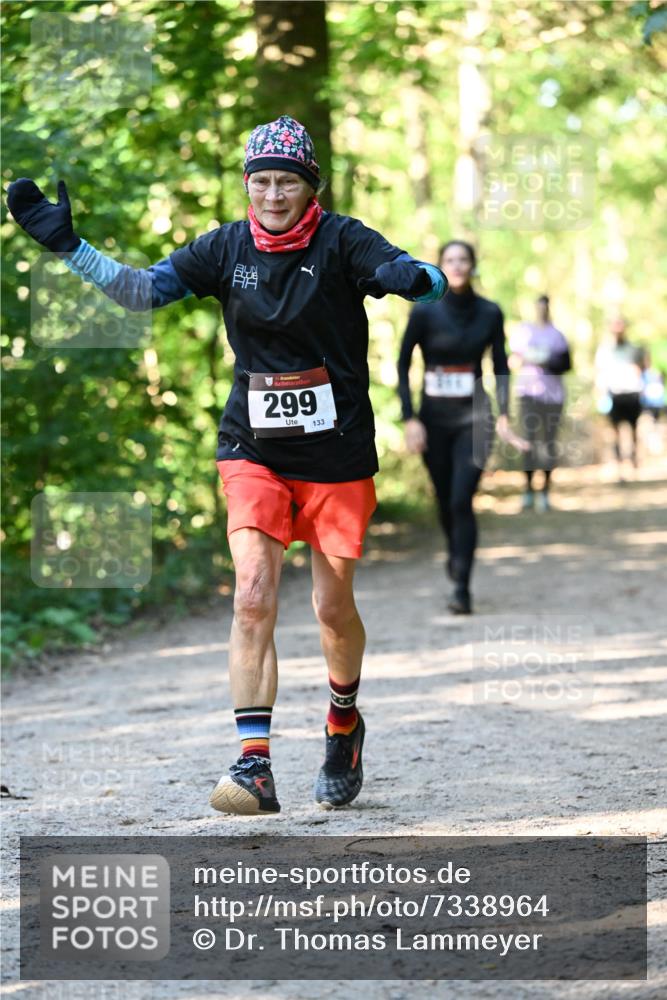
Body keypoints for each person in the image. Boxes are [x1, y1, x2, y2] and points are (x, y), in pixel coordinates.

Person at [7, 115, 447, 815]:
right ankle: (253, 764)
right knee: (250, 596)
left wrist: (410, 275)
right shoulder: (224, 247)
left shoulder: (342, 240)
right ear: (248, 184)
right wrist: (68, 246)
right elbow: (139, 292)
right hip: (254, 450)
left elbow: (427, 283)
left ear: (310, 188)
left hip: (335, 454)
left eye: (287, 182)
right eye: (261, 181)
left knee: (331, 609)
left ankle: (342, 722)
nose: (273, 194)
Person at [398, 240, 527, 615]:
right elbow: (403, 365)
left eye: (463, 259)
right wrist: (410, 418)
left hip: (476, 417)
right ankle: (456, 555)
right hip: (434, 419)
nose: (457, 265)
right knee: (443, 499)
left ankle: (462, 586)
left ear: (473, 266)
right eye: (449, 260)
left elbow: (501, 364)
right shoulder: (424, 312)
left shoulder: (490, 312)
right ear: (439, 267)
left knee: (460, 499)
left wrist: (504, 414)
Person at [509, 295, 571, 512]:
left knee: (548, 443)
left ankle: (544, 491)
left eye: (545, 306)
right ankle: (528, 490)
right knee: (528, 441)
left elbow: (566, 364)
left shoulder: (557, 335)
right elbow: (512, 359)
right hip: (527, 393)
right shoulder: (523, 332)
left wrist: (548, 361)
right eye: (538, 306)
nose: (541, 310)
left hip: (553, 396)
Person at [594, 317, 644, 478]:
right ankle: (619, 464)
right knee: (615, 432)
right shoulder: (605, 350)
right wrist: (601, 393)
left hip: (632, 393)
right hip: (614, 394)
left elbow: (641, 368)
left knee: (633, 429)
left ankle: (634, 460)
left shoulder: (634, 349)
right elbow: (600, 373)